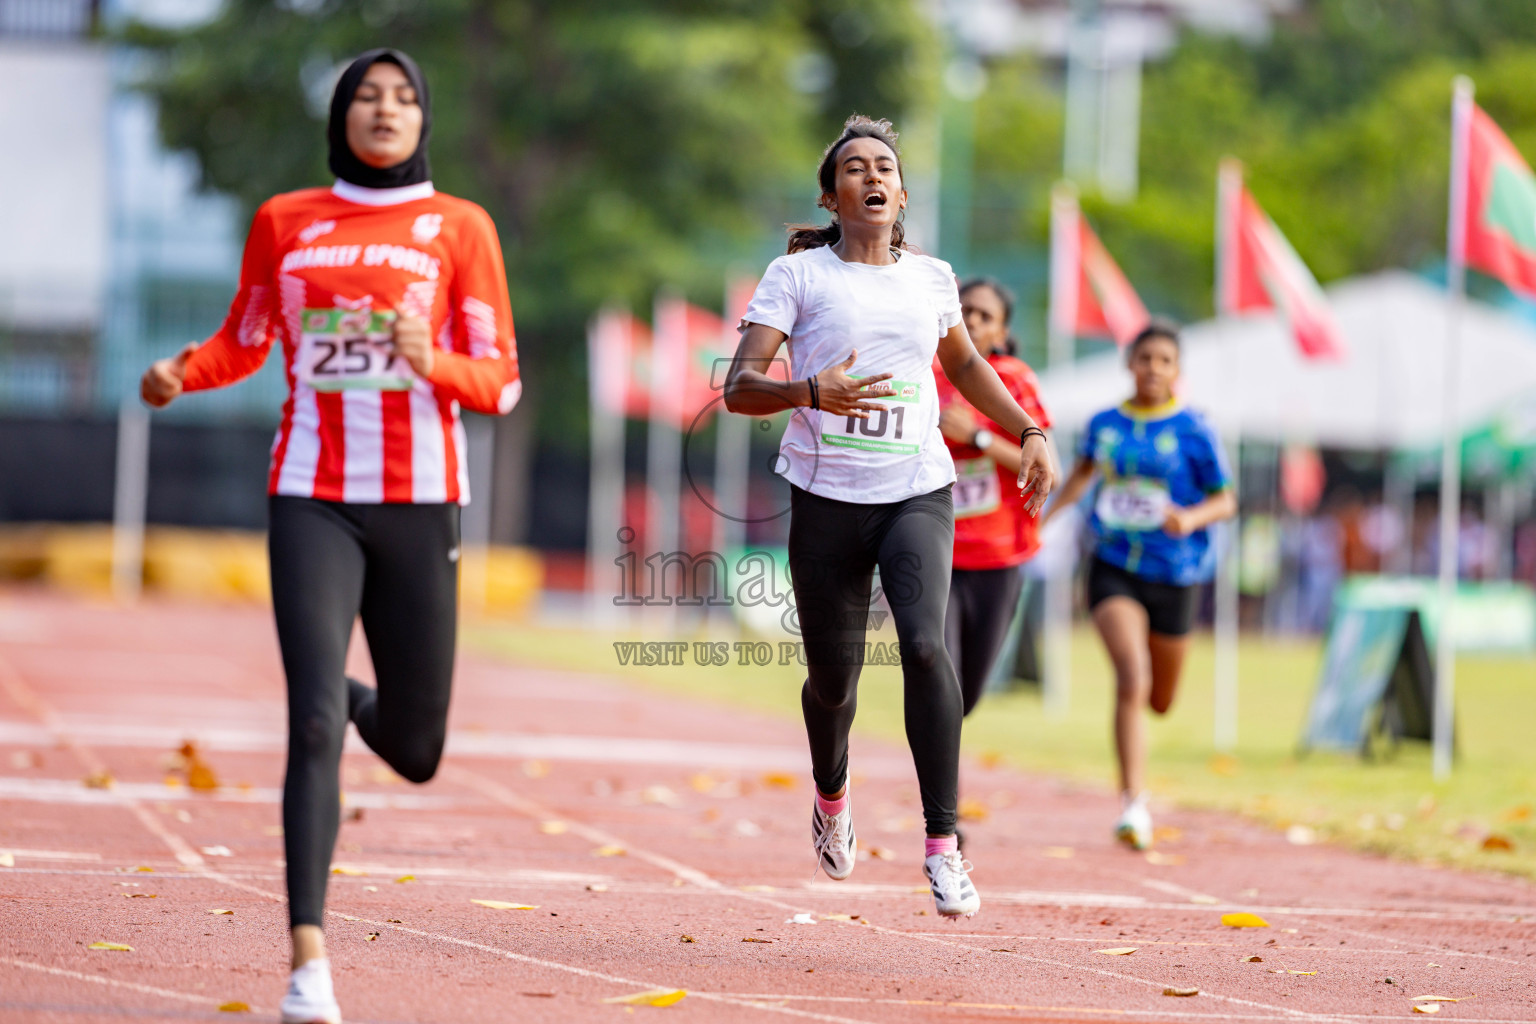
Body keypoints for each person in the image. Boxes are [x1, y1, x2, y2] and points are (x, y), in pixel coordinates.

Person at [139, 50, 520, 1024]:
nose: (384, 109)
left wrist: (432, 359)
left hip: (421, 496)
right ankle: (308, 961)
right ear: (341, 118)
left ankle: (343, 689)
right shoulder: (286, 220)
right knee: (310, 726)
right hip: (310, 489)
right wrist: (183, 369)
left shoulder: (459, 227)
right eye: (365, 95)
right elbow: (246, 335)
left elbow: (503, 381)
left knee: (416, 744)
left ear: (422, 119)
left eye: (402, 98)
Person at [724, 115, 1055, 918]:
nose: (871, 177)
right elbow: (739, 386)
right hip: (827, 495)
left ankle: (943, 845)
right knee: (833, 685)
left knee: (924, 645)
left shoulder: (933, 278)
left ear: (901, 193)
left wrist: (1030, 431)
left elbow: (967, 365)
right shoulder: (797, 277)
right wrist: (809, 391)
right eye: (854, 168)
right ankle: (831, 795)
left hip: (916, 490)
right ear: (831, 196)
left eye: (884, 167)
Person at [1042, 320, 1233, 851]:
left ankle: (1137, 780)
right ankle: (1133, 805)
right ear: (1129, 363)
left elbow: (1226, 500)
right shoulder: (1105, 424)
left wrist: (1191, 520)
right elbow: (1080, 477)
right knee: (1132, 677)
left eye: (1164, 361)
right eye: (1144, 358)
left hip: (1176, 572)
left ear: (1177, 371)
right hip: (1113, 565)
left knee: (1161, 699)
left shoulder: (1196, 429)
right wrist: (1043, 523)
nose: (1153, 368)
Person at [935, 278, 1054, 718]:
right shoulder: (926, 373)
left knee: (968, 694)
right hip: (935, 550)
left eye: (985, 315)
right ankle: (942, 788)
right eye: (964, 309)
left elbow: (1046, 467)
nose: (971, 319)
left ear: (1001, 333)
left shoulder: (1015, 381)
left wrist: (978, 437)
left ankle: (943, 766)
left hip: (999, 556)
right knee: (935, 670)